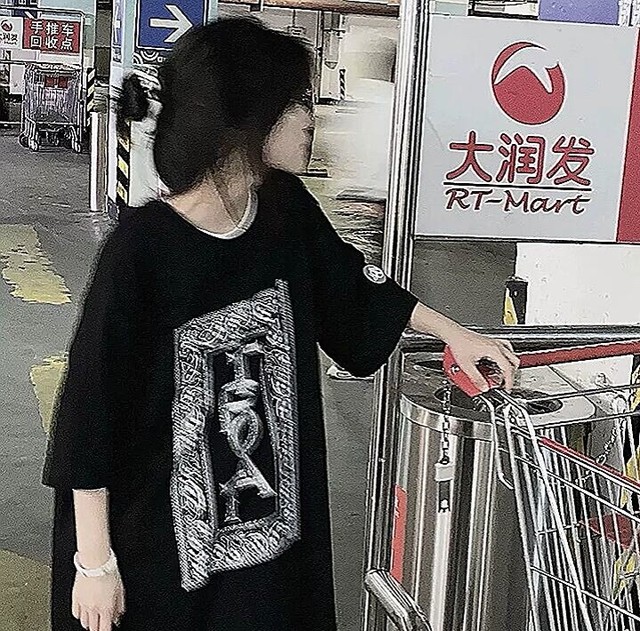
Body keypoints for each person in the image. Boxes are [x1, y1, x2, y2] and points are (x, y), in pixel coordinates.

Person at [42, 16, 519, 631]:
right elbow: (90, 412)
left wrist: (455, 331)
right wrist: (94, 562)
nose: (311, 117)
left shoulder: (285, 211)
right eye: (297, 102)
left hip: (271, 537)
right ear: (246, 120)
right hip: (159, 547)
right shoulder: (142, 251)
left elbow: (353, 290)